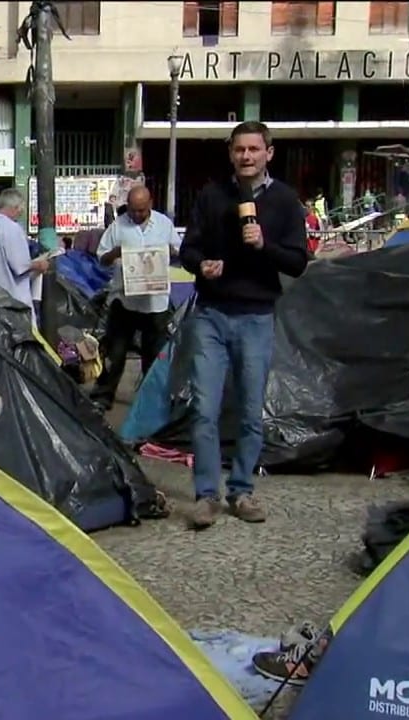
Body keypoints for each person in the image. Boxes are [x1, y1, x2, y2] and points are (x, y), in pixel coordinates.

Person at [178, 120, 309, 529]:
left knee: (251, 410)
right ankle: (206, 496)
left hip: (256, 317)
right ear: (231, 154)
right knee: (204, 409)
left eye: (254, 149)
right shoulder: (212, 195)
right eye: (240, 150)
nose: (246, 157)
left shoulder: (286, 201)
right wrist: (202, 264)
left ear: (269, 153)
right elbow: (188, 249)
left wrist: (263, 245)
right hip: (211, 316)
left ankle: (242, 490)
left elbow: (298, 262)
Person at [90, 186, 180, 410]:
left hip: (155, 302)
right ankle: (104, 395)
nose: (137, 215)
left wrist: (169, 251)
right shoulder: (119, 225)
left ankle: (149, 401)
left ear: (150, 204)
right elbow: (101, 258)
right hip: (125, 300)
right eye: (133, 210)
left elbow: (180, 251)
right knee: (115, 351)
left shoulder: (163, 224)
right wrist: (115, 253)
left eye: (141, 210)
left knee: (153, 354)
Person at [0, 188, 49, 323]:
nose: (20, 213)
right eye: (20, 210)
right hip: (12, 303)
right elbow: (20, 266)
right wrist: (39, 264)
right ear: (15, 207)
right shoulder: (12, 228)